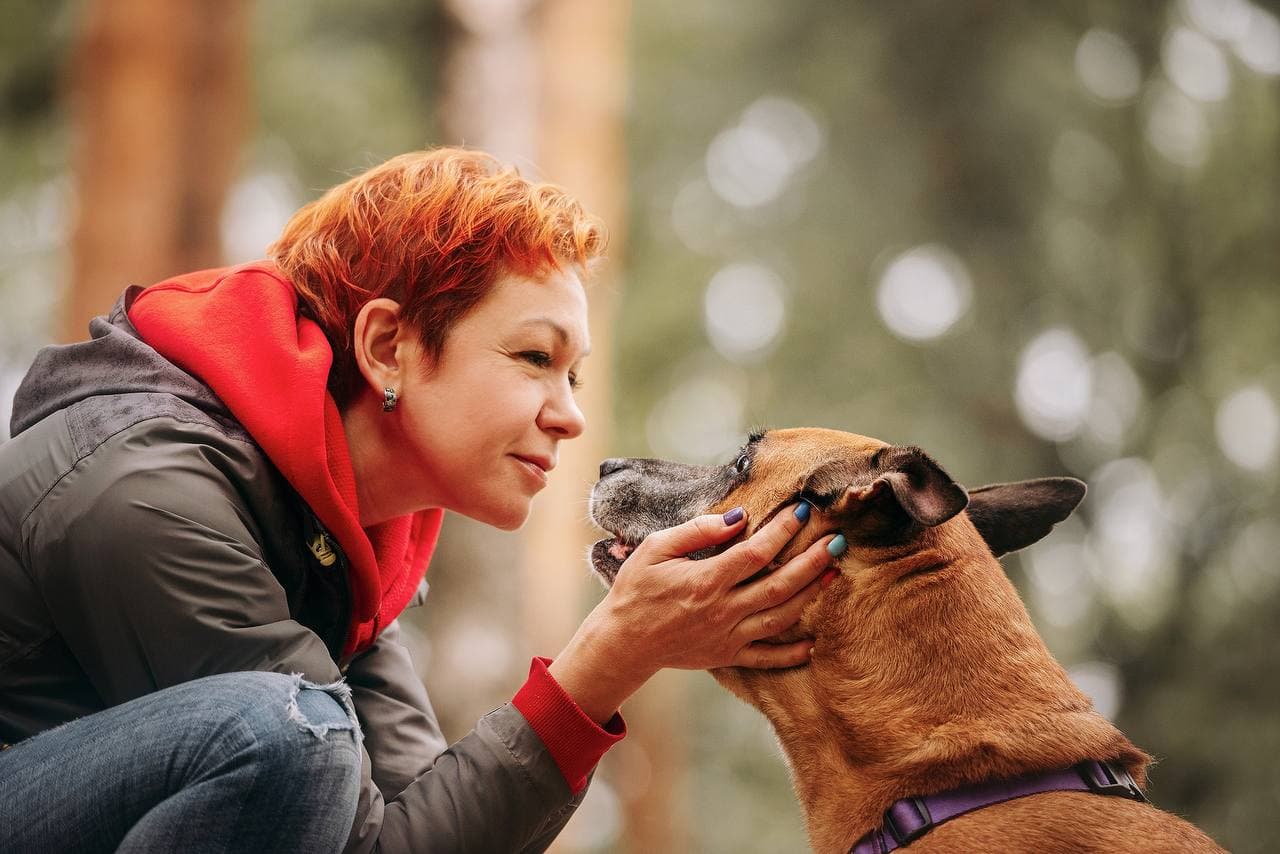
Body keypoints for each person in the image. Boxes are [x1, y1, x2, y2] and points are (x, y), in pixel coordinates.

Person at [0, 148, 839, 853]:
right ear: (387, 347)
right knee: (287, 734)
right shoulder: (152, 491)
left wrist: (617, 664)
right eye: (534, 358)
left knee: (299, 732)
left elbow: (409, 838)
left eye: (573, 373)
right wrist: (606, 660)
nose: (572, 414)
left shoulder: (346, 534)